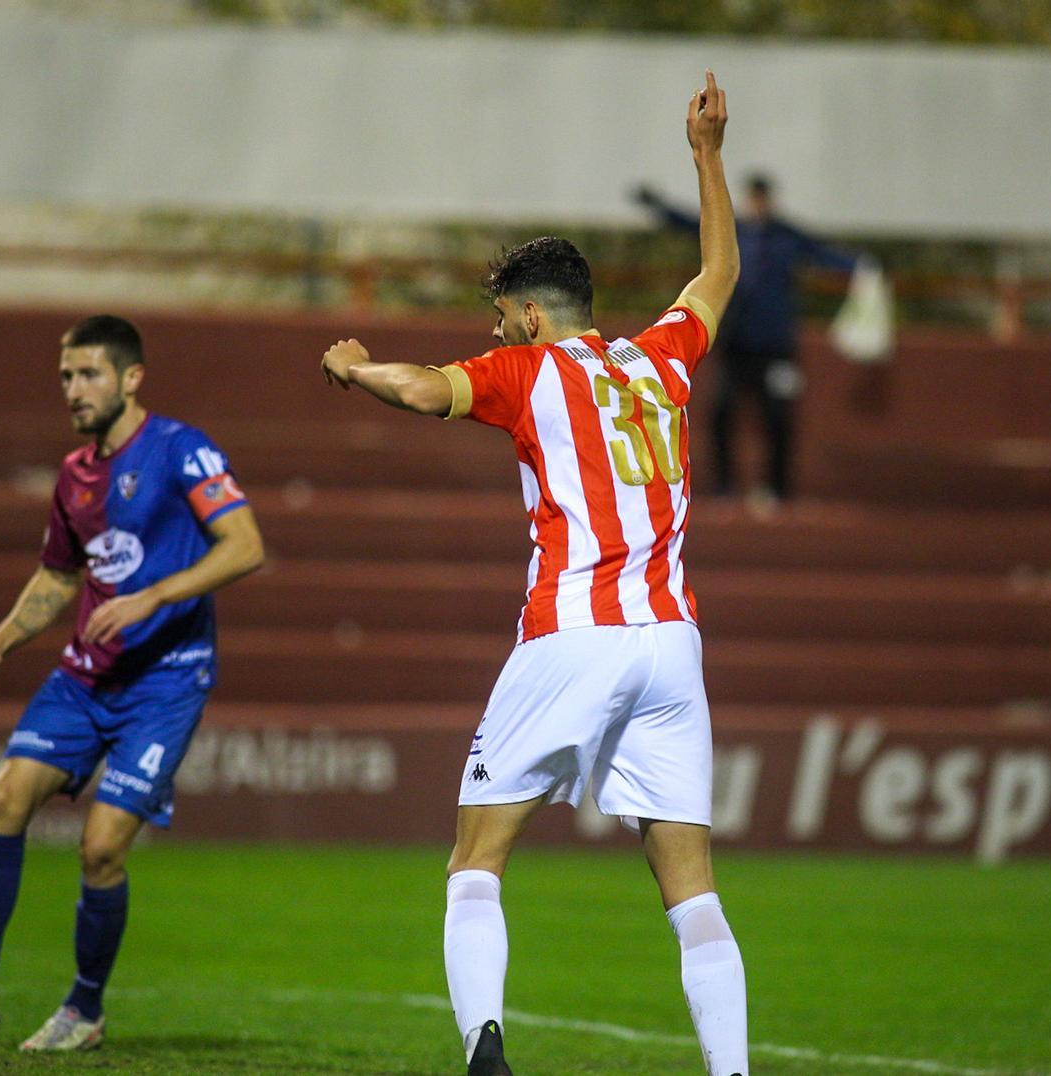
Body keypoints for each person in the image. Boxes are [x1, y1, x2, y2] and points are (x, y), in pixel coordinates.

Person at [321, 71, 748, 1076]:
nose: (498, 330)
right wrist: (707, 155)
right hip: (672, 645)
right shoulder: (659, 362)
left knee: (476, 858)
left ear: (524, 316)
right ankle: (731, 1072)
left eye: (500, 316)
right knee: (693, 887)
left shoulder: (528, 370)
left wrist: (354, 367)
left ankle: (485, 1054)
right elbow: (719, 271)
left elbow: (427, 391)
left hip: (574, 634)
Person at [0, 315, 264, 1052]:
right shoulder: (75, 475)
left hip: (165, 683)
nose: (74, 389)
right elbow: (61, 573)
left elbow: (246, 545)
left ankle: (84, 1011)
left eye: (89, 373)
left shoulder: (180, 450)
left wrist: (156, 595)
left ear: (131, 377)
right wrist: (0, 642)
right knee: (4, 796)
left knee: (100, 848)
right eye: (66, 376)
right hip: (85, 678)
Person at [635, 170, 858, 504]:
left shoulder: (787, 236)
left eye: (762, 197)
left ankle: (777, 490)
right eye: (753, 197)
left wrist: (863, 266)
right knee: (721, 412)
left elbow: (823, 254)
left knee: (778, 417)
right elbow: (692, 225)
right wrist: (660, 207)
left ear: (769, 199)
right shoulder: (735, 233)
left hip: (776, 349)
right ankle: (725, 486)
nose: (757, 203)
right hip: (736, 347)